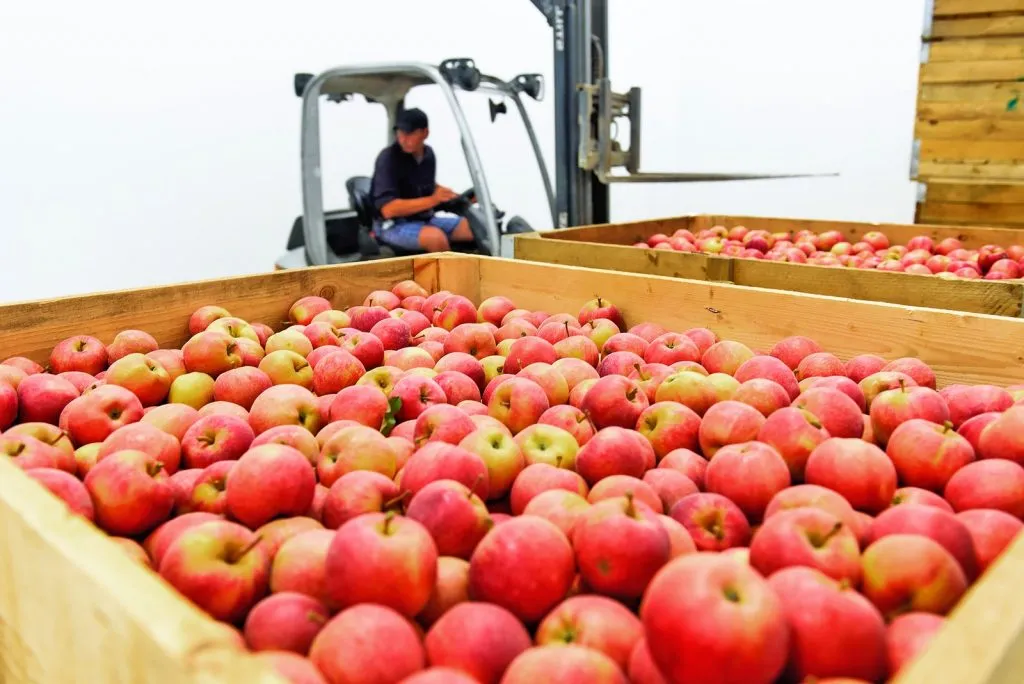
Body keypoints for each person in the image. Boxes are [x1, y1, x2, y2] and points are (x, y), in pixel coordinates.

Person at [370, 108, 475, 252]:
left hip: (423, 219)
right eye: (400, 133)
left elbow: (427, 186)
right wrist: (434, 200)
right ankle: (451, 274)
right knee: (436, 238)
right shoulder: (388, 158)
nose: (403, 139)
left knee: (474, 227)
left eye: (409, 134)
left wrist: (453, 197)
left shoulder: (428, 155)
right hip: (392, 225)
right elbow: (388, 209)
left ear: (425, 133)